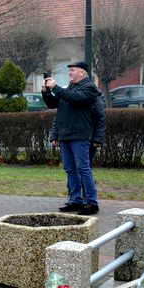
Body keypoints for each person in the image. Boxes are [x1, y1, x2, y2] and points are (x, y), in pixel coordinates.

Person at [43, 61, 101, 216]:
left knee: (83, 169)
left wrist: (56, 88)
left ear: (82, 73)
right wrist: (47, 92)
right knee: (70, 169)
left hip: (80, 136)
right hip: (66, 136)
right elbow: (54, 104)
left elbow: (75, 99)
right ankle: (75, 200)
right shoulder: (70, 88)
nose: (70, 73)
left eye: (73, 70)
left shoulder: (89, 88)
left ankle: (91, 202)